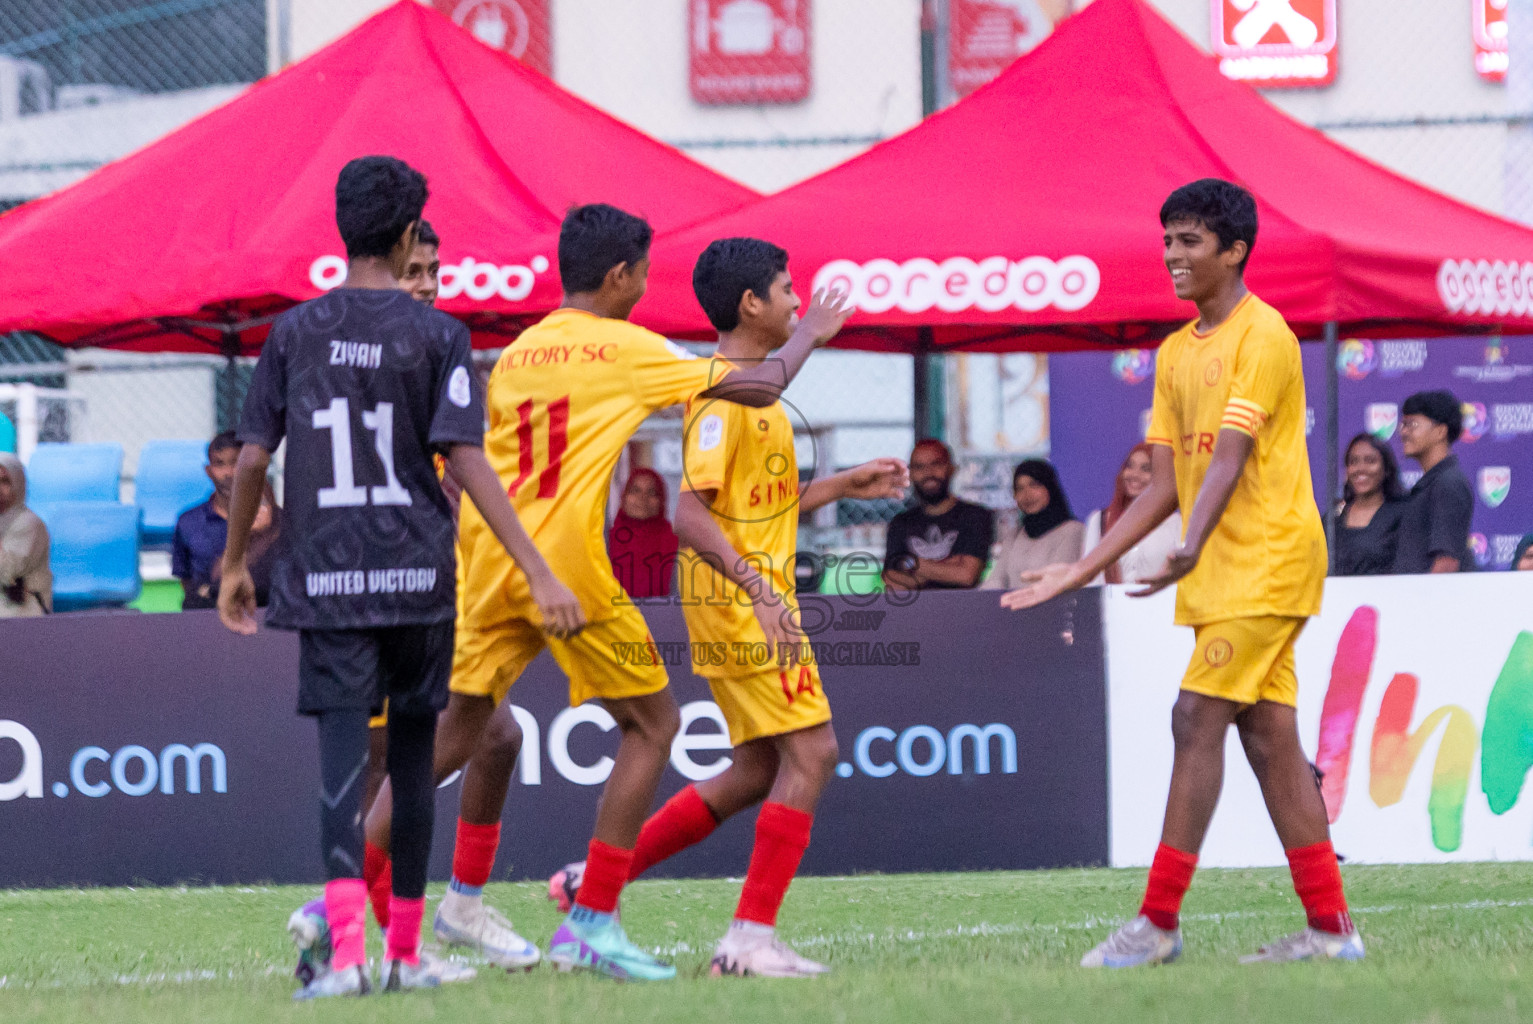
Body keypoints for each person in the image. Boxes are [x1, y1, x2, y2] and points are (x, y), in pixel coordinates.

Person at [362, 203, 853, 983]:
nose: (646, 287)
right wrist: (809, 335)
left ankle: (350, 896)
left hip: (491, 558)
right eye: (644, 274)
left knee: (450, 737)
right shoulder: (626, 346)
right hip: (564, 563)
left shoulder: (520, 351)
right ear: (621, 275)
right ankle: (591, 918)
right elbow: (752, 388)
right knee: (654, 725)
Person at [217, 155, 583, 998]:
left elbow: (250, 461)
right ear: (411, 230)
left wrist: (237, 562)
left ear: (343, 228)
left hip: (328, 578)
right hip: (418, 574)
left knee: (346, 767)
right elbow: (465, 457)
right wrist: (535, 567)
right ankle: (407, 955)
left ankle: (346, 958)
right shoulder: (437, 334)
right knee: (415, 765)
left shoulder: (294, 332)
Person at [1003, 179, 1362, 967]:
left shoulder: (1262, 335)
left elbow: (1227, 460)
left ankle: (1156, 925)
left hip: (1266, 561)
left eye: (1190, 241)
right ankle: (1332, 932)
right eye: (1167, 239)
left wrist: (1194, 543)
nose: (1172, 255)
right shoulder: (1173, 351)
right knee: (1268, 738)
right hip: (1219, 567)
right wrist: (1077, 569)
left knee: (1194, 718)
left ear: (1233, 251)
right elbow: (1164, 484)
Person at [547, 237, 906, 977]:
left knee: (752, 768)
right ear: (751, 305)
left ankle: (593, 884)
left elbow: (750, 508)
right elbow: (688, 514)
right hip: (740, 602)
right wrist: (758, 587)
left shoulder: (759, 395)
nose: (797, 301)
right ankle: (748, 939)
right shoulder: (720, 389)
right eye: (786, 288)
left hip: (742, 594)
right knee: (814, 752)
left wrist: (840, 486)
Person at [289, 215, 538, 979]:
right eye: (412, 271)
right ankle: (347, 923)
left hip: (437, 593)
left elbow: (469, 470)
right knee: (409, 759)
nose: (425, 284)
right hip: (381, 596)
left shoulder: (442, 358)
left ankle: (441, 909)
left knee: (490, 740)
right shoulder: (359, 364)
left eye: (433, 270)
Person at [173, 432, 281, 610]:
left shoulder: (278, 522)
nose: (229, 473)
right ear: (208, 471)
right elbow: (187, 584)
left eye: (237, 463)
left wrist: (265, 533)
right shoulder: (188, 522)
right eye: (220, 464)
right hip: (206, 616)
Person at [882, 439, 994, 590]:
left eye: (936, 464)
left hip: (964, 610)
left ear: (952, 468)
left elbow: (966, 575)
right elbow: (892, 581)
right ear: (910, 474)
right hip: (913, 612)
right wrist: (949, 566)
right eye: (919, 467)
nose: (928, 473)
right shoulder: (900, 523)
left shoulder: (975, 517)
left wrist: (912, 563)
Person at [1393, 390, 1474, 574]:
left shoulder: (1449, 483)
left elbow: (1447, 562)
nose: (1403, 432)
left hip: (1429, 600)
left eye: (1411, 424)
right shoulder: (1434, 482)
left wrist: (1425, 602)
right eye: (1403, 425)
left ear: (1440, 431)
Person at [1082, 443, 1181, 585]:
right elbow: (1090, 578)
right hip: (1112, 605)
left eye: (1146, 469)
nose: (1135, 475)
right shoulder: (1100, 520)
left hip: (1160, 605)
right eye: (1130, 466)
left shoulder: (1176, 523)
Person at [983, 458, 1084, 590]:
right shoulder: (1015, 535)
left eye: (1034, 485)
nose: (1027, 495)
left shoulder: (1072, 530)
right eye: (1019, 488)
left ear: (1050, 488)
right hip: (1014, 607)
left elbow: (1059, 582)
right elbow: (995, 581)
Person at [1334, 433, 1406, 577]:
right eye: (1353, 462)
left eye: (1370, 461)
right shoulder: (1332, 520)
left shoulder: (1403, 515)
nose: (1361, 468)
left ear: (1386, 469)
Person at [608, 467, 678, 598]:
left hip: (665, 615)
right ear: (624, 497)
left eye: (652, 492)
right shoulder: (605, 542)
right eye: (635, 490)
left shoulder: (675, 543)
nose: (642, 498)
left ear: (661, 500)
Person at [0, 452, 50, 617]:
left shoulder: (29, 524)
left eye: (5, 481)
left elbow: (7, 573)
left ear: (18, 483)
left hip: (22, 619)